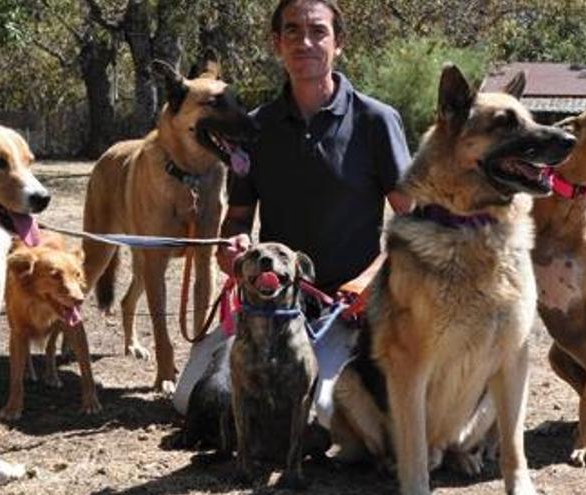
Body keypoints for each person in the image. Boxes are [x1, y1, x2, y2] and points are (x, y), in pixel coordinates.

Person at [172, 0, 413, 424]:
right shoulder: (255, 126)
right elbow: (239, 219)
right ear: (276, 44)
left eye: (318, 31)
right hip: (270, 306)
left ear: (338, 44)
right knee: (189, 397)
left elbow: (415, 225)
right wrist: (234, 249)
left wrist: (368, 282)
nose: (305, 41)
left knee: (319, 412)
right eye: (292, 31)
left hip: (345, 312)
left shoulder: (377, 121)